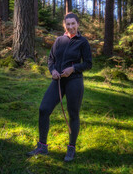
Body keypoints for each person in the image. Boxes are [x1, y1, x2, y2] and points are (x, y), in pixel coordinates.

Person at [27, 12, 92, 162]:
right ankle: (42, 146)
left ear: (77, 24)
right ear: (64, 25)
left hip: (74, 81)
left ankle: (71, 149)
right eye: (68, 24)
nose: (71, 27)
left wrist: (73, 68)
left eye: (73, 24)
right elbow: (51, 60)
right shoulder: (59, 40)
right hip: (58, 82)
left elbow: (88, 63)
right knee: (44, 109)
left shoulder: (83, 42)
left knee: (73, 114)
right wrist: (53, 71)